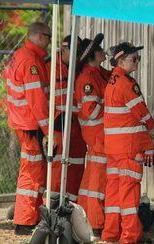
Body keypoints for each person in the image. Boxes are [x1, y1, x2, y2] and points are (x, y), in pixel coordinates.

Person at [2, 22, 58, 235]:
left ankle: (28, 217)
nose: (49, 42)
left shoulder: (20, 55)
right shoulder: (31, 61)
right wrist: (48, 129)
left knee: (31, 170)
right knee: (31, 173)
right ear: (40, 37)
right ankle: (24, 222)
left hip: (21, 121)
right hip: (29, 124)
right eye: (48, 37)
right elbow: (37, 101)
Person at [101, 42, 154, 244]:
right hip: (128, 149)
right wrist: (150, 135)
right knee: (129, 193)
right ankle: (130, 237)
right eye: (134, 59)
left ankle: (111, 234)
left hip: (114, 148)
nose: (137, 62)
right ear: (121, 60)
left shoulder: (112, 81)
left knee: (114, 194)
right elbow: (143, 115)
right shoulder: (126, 83)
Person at [74, 33, 110, 239]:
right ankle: (96, 223)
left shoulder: (98, 73)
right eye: (100, 49)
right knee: (98, 179)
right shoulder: (88, 78)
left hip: (101, 133)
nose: (103, 51)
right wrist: (113, 108)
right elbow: (90, 110)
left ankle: (85, 219)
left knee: (91, 178)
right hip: (97, 134)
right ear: (92, 55)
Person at [45, 35, 87, 202]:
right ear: (63, 50)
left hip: (76, 124)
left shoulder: (76, 66)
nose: (78, 56)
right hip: (57, 123)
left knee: (76, 164)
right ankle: (53, 208)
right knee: (57, 167)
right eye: (74, 52)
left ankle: (71, 205)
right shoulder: (50, 67)